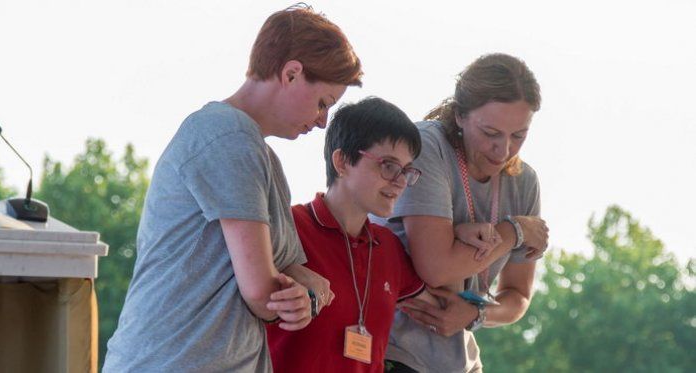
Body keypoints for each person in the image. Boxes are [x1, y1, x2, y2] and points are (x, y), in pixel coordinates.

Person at [102, 5, 362, 372]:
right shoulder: (228, 135)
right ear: (291, 73)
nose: (323, 122)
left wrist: (306, 289)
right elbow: (263, 293)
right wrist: (305, 296)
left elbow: (288, 269)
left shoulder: (262, 155)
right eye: (323, 103)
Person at [374, 53, 550, 373]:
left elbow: (518, 296)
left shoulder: (524, 182)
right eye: (491, 133)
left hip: (460, 362)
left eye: (519, 135)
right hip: (391, 353)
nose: (504, 150)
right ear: (459, 116)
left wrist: (475, 315)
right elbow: (436, 269)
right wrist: (514, 232)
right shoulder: (426, 145)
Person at [266, 97, 427, 373]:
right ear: (341, 161)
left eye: (407, 170)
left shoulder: (389, 246)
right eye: (388, 165)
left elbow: (439, 302)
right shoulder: (287, 226)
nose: (400, 181)